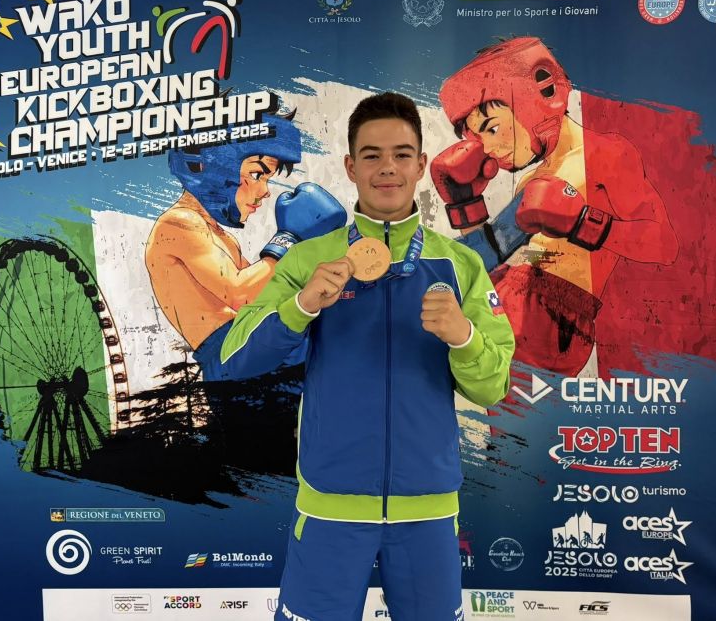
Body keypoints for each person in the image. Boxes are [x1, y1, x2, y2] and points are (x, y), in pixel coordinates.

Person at [220, 93, 515, 621]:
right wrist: (302, 305)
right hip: (330, 508)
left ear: (421, 165)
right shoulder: (309, 259)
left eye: (401, 154)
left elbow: (492, 386)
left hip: (427, 511)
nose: (387, 168)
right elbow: (236, 357)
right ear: (350, 166)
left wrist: (464, 337)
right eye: (372, 155)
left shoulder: (460, 265)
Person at [432, 37, 678, 375]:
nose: (487, 148)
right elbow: (489, 257)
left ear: (541, 94)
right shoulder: (532, 182)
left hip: (556, 324)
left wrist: (583, 222)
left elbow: (663, 244)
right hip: (503, 304)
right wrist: (467, 205)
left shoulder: (605, 155)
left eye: (492, 128)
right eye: (476, 138)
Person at [145, 112, 346, 380]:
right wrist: (288, 238)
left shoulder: (220, 236)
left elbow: (266, 295)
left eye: (267, 179)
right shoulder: (179, 222)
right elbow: (241, 295)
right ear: (209, 166)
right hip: (231, 352)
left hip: (247, 344)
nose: (265, 191)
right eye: (256, 174)